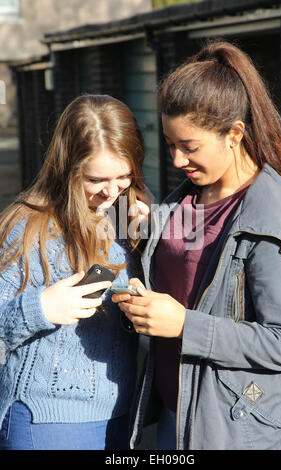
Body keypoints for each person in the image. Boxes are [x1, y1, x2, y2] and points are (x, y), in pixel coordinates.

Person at [112, 40, 281, 450]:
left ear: (234, 134)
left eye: (190, 147)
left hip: (233, 430)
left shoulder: (272, 216)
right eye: (170, 144)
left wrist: (184, 325)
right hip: (172, 419)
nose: (177, 160)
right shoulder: (184, 200)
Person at [0, 94, 151, 450]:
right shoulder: (26, 230)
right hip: (44, 422)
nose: (112, 191)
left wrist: (152, 246)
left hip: (120, 416)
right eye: (97, 179)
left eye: (124, 176)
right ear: (68, 168)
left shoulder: (131, 219)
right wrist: (39, 309)